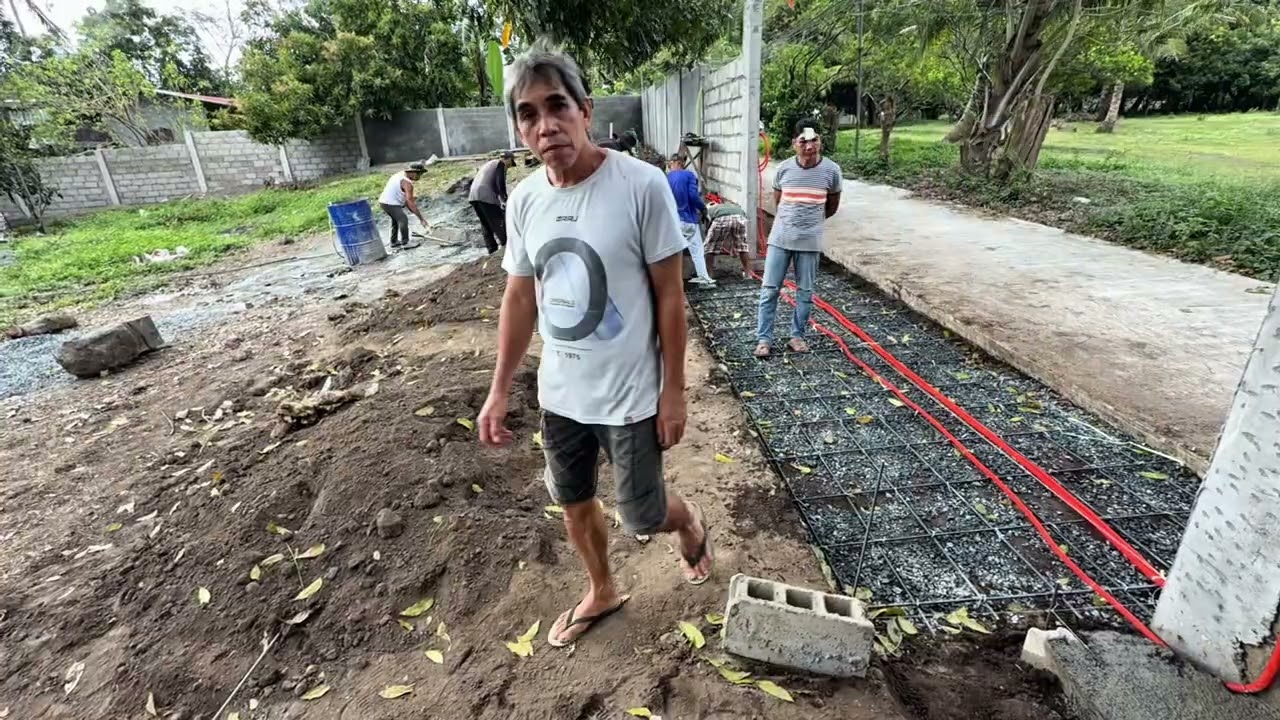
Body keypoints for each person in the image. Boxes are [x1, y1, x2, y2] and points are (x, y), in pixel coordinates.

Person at [478, 41, 714, 648]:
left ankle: (687, 520)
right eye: (528, 113)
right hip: (562, 395)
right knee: (573, 500)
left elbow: (669, 296)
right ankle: (602, 588)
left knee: (641, 514)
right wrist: (499, 389)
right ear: (519, 128)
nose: (545, 124)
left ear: (586, 110)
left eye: (557, 105)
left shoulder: (641, 185)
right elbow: (520, 299)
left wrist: (674, 391)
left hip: (631, 395)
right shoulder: (526, 199)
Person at [755, 119, 842, 357]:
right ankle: (764, 339)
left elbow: (832, 205)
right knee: (770, 290)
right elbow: (778, 201)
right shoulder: (783, 169)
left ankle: (797, 337)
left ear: (820, 141)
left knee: (805, 292)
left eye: (814, 140)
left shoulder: (832, 171)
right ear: (795, 143)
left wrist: (811, 222)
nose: (810, 147)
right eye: (804, 141)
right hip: (780, 238)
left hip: (810, 241)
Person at [666, 154, 715, 287]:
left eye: (670, 163)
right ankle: (703, 278)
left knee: (672, 252)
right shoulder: (688, 175)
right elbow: (693, 196)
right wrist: (703, 208)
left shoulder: (666, 178)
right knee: (697, 250)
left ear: (675, 163)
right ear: (682, 163)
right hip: (688, 219)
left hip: (672, 221)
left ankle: (671, 281)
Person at [469, 150, 517, 254]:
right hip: (486, 196)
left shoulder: (490, 164)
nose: (509, 167)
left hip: (474, 196)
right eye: (511, 163)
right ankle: (506, 247)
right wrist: (505, 200)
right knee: (498, 221)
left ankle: (491, 249)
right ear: (508, 159)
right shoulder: (500, 164)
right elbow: (500, 184)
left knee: (485, 224)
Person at [378, 160, 428, 250]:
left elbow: (406, 201)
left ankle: (394, 242)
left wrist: (418, 216)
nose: (420, 177)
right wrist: (421, 219)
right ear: (412, 173)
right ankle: (405, 242)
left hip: (384, 202)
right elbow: (410, 201)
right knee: (403, 219)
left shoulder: (399, 175)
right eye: (419, 174)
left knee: (396, 220)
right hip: (390, 203)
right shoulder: (407, 184)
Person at [704, 197, 753, 280]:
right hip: (739, 216)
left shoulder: (708, 210)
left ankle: (709, 276)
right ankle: (748, 275)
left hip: (721, 217)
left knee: (710, 247)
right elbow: (732, 230)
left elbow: (709, 228)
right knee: (742, 246)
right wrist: (733, 247)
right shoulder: (728, 206)